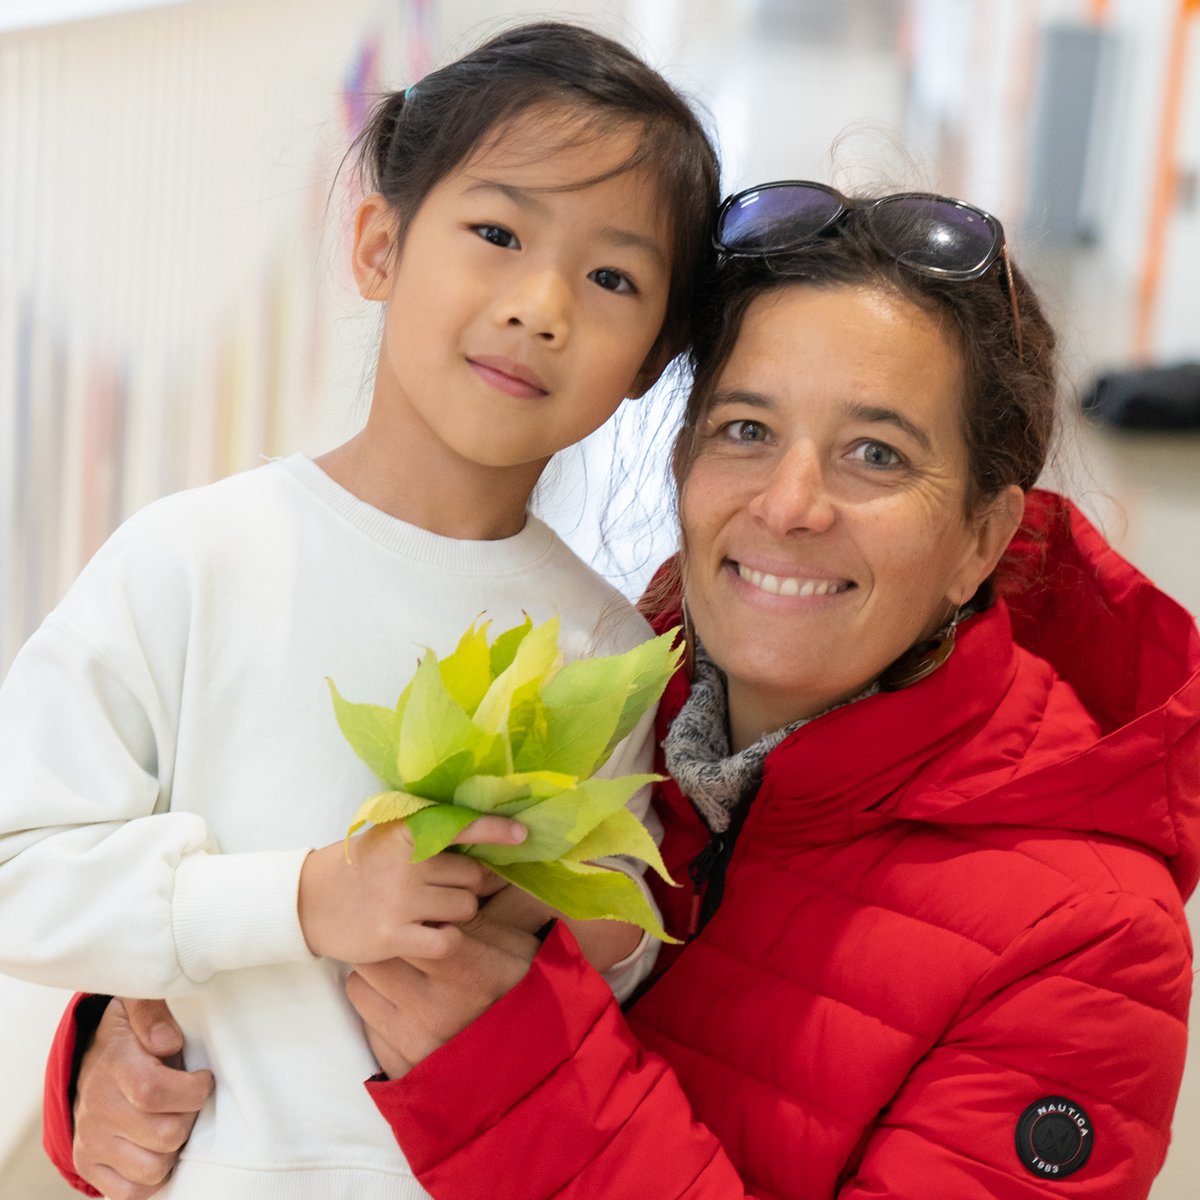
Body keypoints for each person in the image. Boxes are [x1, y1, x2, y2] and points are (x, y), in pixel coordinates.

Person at [48, 183, 1200, 1199]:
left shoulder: (1088, 942)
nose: (791, 502)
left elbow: (476, 1041)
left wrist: (509, 1068)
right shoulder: (590, 685)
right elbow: (317, 890)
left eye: (877, 455)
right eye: (746, 429)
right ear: (684, 463)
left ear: (981, 538)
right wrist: (124, 1059)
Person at [0, 20, 719, 1200]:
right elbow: (19, 866)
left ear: (651, 358)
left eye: (611, 278)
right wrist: (302, 899)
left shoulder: (606, 651)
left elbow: (619, 971)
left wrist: (589, 937)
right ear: (378, 243)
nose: (541, 305)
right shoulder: (196, 561)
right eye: (496, 232)